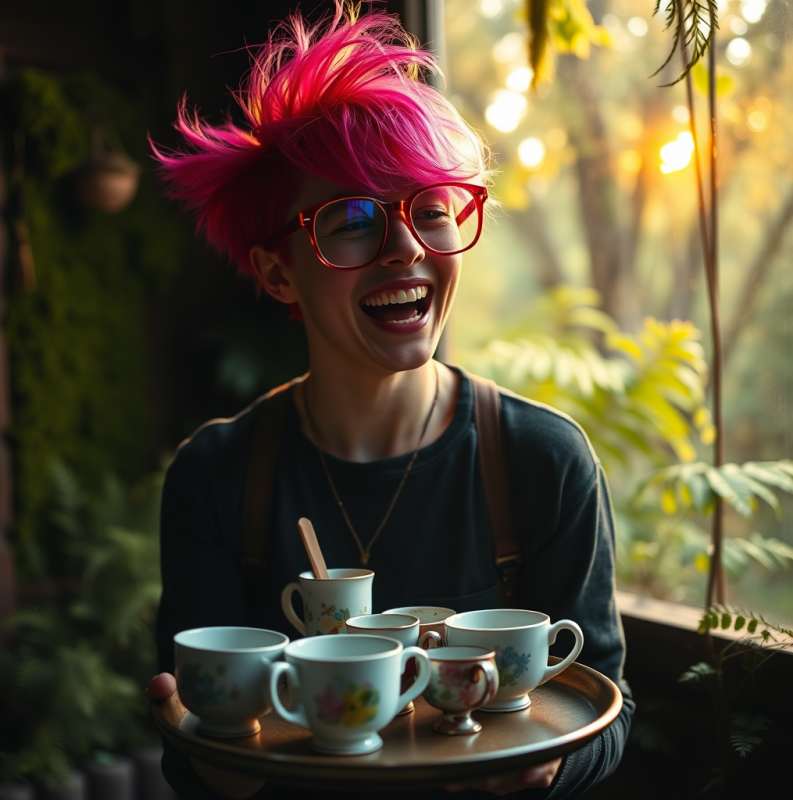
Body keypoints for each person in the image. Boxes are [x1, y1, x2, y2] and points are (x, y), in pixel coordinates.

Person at [146, 3, 634, 798]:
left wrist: (549, 767)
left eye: (432, 210)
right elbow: (192, 750)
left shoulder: (542, 460)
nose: (405, 245)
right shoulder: (218, 476)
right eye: (352, 219)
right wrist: (212, 769)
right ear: (277, 273)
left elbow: (607, 711)